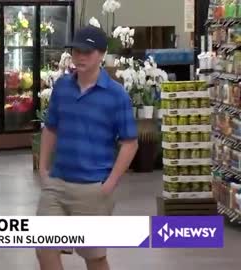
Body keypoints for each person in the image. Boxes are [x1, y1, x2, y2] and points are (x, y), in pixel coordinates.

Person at [36, 25, 139, 270]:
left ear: (101, 54)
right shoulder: (62, 87)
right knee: (44, 247)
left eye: (87, 52)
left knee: (94, 256)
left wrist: (110, 183)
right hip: (57, 184)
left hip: (93, 187)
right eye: (75, 51)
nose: (80, 56)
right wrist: (43, 169)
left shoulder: (116, 96)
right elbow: (51, 128)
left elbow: (130, 143)